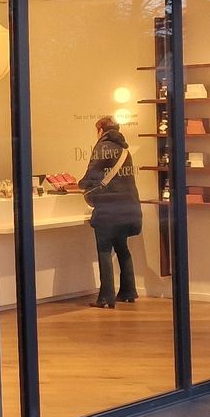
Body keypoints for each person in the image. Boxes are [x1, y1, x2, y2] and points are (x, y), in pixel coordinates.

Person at [78, 115, 142, 309]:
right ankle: (128, 292)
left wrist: (80, 184)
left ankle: (106, 297)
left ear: (101, 129)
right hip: (127, 207)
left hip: (108, 208)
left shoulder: (102, 147)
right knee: (123, 249)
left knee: (104, 250)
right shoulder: (124, 149)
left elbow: (92, 175)